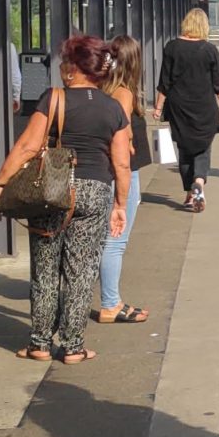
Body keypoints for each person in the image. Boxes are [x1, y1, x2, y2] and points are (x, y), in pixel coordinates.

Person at [0, 35, 130, 364]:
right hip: (95, 192)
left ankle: (39, 344)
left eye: (65, 62)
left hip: (53, 190)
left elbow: (27, 146)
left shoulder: (53, 99)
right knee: (81, 272)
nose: (62, 68)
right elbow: (122, 163)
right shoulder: (113, 107)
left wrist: (1, 182)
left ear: (74, 69)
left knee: (45, 270)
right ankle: (73, 347)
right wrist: (120, 205)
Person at [92, 35, 151, 325]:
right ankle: (111, 304)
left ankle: (107, 299)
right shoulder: (125, 93)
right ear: (134, 61)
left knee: (105, 239)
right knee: (115, 240)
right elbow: (122, 135)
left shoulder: (103, 88)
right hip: (123, 172)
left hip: (104, 171)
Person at [153, 8, 219, 212]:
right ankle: (199, 184)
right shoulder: (210, 50)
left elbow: (164, 83)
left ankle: (189, 193)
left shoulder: (172, 47)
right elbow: (218, 84)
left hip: (179, 108)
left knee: (184, 149)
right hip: (204, 107)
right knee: (203, 148)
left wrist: (158, 107)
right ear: (204, 26)